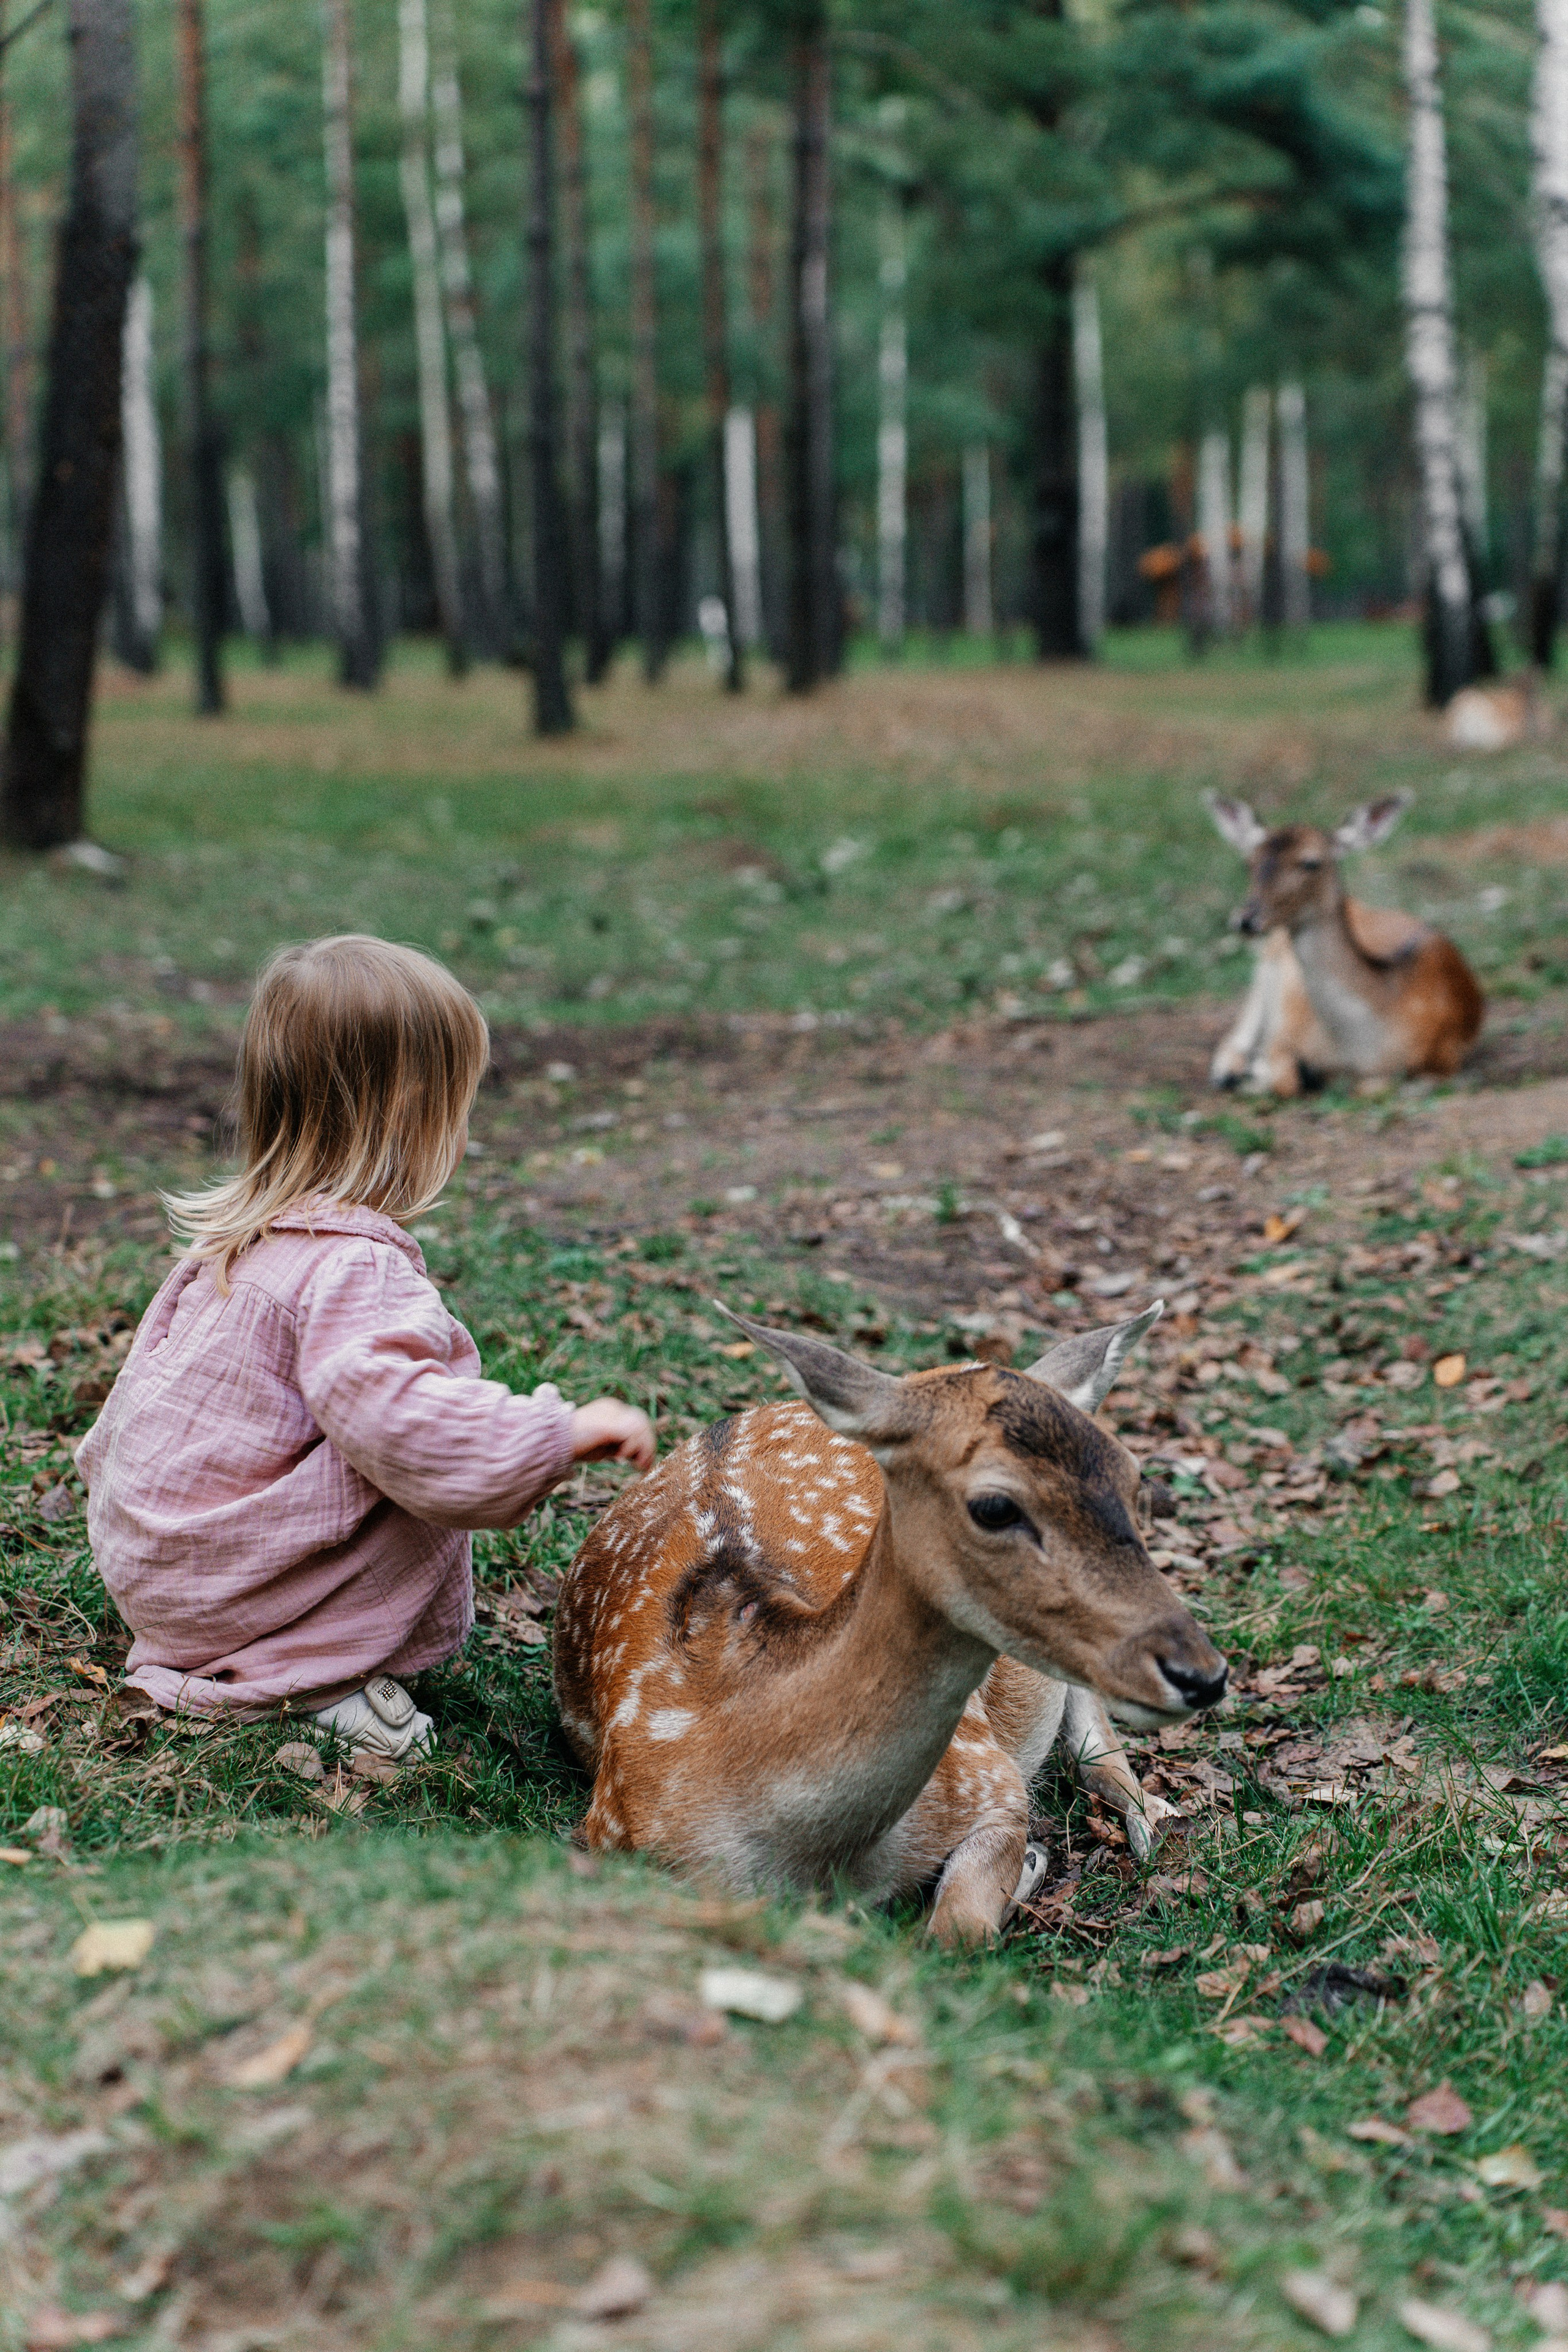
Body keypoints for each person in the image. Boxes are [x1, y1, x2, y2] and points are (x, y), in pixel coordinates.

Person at [77, 935, 654, 1758]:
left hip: (164, 1573)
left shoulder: (238, 1244)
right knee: (389, 1469)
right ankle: (309, 1681)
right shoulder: (354, 1269)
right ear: (413, 1115)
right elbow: (407, 1425)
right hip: (235, 1595)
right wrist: (552, 1435)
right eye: (459, 1107)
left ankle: (246, 1644)